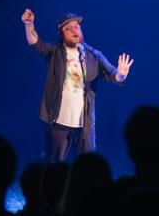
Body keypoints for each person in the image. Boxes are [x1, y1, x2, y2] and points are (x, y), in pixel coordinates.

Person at [21, 8, 134, 162]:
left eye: (77, 26)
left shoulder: (93, 55)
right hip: (58, 122)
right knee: (54, 165)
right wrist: (29, 24)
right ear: (61, 33)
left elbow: (113, 75)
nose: (74, 30)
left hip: (85, 125)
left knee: (87, 167)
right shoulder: (55, 53)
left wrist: (121, 74)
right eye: (69, 28)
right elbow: (36, 44)